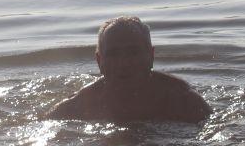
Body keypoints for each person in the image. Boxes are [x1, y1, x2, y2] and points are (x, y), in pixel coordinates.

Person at [43, 16, 211, 123]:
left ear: (151, 55)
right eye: (113, 54)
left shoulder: (183, 100)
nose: (124, 63)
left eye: (133, 52)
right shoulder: (77, 106)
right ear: (99, 61)